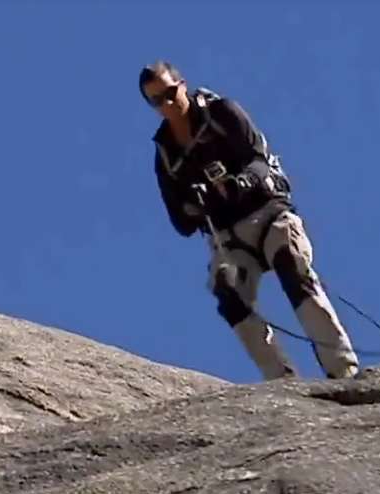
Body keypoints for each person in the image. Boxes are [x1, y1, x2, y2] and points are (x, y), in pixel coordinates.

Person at [140, 60, 359, 381]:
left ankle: (342, 369)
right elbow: (180, 223)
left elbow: (258, 158)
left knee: (292, 267)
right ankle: (281, 380)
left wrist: (238, 184)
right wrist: (197, 205)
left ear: (183, 85)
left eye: (171, 93)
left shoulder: (221, 113)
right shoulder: (165, 155)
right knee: (228, 295)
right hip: (231, 239)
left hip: (270, 214)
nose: (168, 104)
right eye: (157, 101)